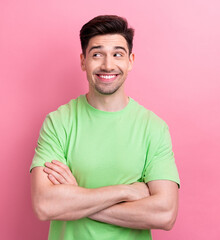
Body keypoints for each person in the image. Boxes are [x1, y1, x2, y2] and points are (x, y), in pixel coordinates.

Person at [30, 15, 180, 240]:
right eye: (97, 54)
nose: (108, 65)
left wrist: (76, 200)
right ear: (83, 61)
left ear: (130, 61)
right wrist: (126, 191)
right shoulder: (58, 122)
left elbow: (165, 214)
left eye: (117, 54)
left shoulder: (153, 128)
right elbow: (45, 205)